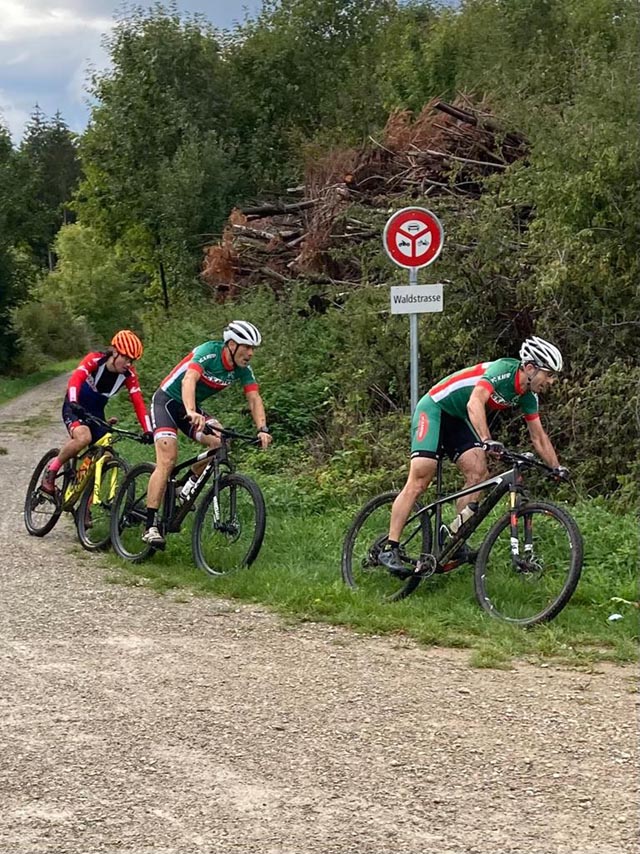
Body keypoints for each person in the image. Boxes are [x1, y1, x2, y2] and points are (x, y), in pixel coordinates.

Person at [378, 336, 569, 573]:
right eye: (549, 374)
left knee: (478, 473)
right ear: (530, 368)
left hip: (457, 420)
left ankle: (453, 537)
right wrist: (487, 440)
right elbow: (475, 402)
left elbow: (538, 436)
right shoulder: (502, 370)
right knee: (420, 479)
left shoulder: (528, 396)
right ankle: (390, 546)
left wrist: (556, 467)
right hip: (434, 408)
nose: (552, 381)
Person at [142, 320, 272, 547]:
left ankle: (188, 484)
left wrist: (262, 429)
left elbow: (254, 398)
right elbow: (189, 380)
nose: (251, 353)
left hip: (191, 408)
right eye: (247, 347)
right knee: (168, 459)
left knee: (220, 441)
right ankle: (150, 526)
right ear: (231, 345)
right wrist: (191, 411)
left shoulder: (242, 369)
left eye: (253, 349)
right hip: (167, 403)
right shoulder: (208, 352)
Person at [40, 330, 154, 494]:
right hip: (75, 405)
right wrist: (72, 401)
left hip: (95, 412)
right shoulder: (95, 360)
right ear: (114, 352)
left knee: (104, 453)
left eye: (132, 360)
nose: (129, 363)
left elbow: (139, 403)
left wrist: (148, 430)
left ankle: (84, 506)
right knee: (83, 438)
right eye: (126, 358)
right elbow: (75, 379)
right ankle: (52, 471)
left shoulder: (129, 375)